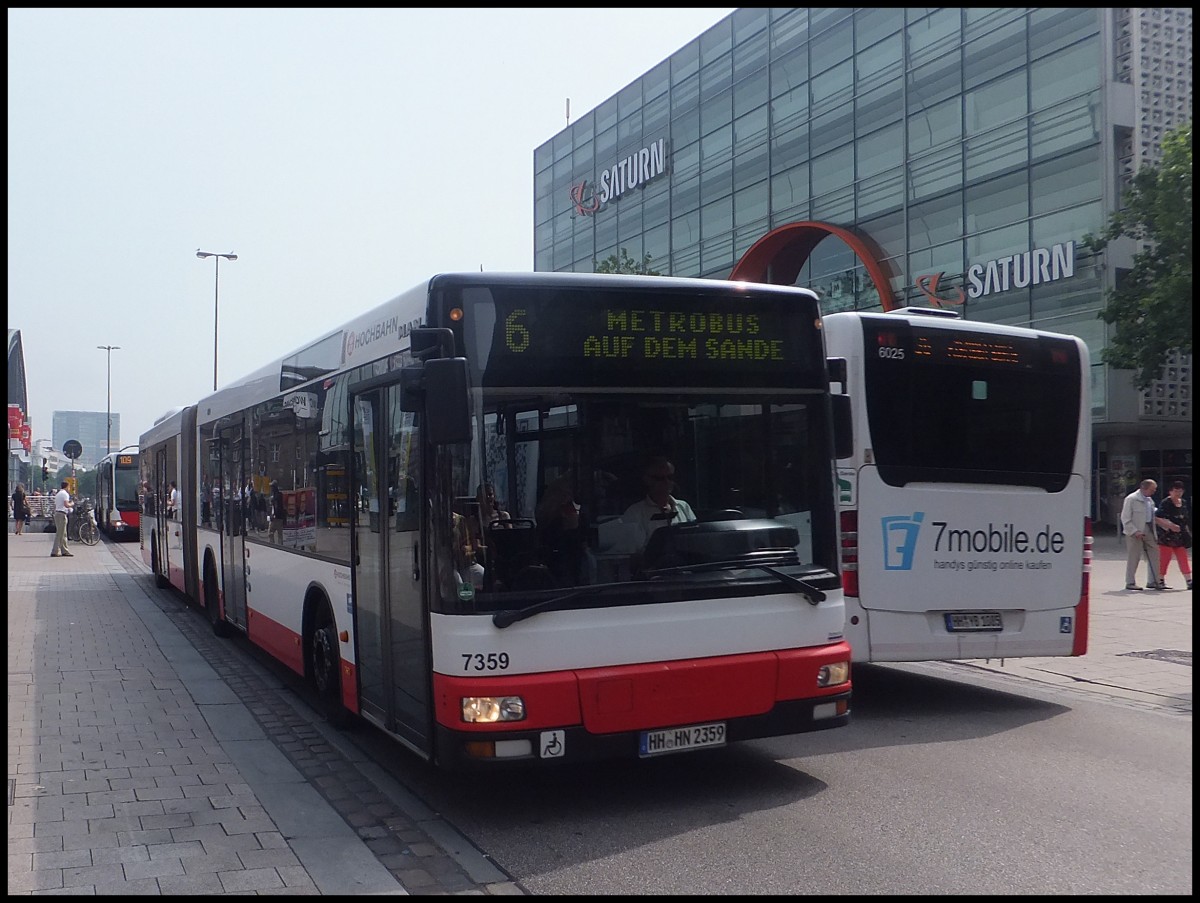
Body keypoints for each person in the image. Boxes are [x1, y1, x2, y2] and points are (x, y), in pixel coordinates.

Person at [622, 456, 697, 553]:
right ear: (647, 479)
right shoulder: (634, 512)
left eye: (670, 477)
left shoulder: (683, 506)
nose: (666, 482)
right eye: (660, 478)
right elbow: (632, 552)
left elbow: (695, 539)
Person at [536, 475, 595, 586]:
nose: (567, 494)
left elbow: (582, 534)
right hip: (557, 560)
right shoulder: (547, 511)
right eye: (562, 491)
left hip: (578, 557)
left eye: (569, 490)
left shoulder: (580, 509)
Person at [1120, 478, 1164, 590]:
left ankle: (1154, 580)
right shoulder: (1131, 499)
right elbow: (1125, 518)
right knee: (1134, 557)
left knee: (1155, 554)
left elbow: (1153, 514)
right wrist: (1134, 531)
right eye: (1152, 489)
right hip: (1135, 531)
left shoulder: (1149, 500)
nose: (1154, 491)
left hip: (1148, 529)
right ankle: (1130, 582)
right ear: (1144, 488)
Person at [1155, 481, 1192, 591]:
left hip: (1180, 535)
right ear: (1170, 491)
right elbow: (1157, 518)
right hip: (1167, 535)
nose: (1178, 493)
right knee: (1165, 558)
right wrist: (1170, 525)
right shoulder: (1166, 503)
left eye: (1180, 491)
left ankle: (1189, 580)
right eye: (1175, 491)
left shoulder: (1184, 503)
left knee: (1183, 558)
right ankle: (1160, 580)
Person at [50, 480, 74, 558]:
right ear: (67, 486)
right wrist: (72, 504)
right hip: (62, 514)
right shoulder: (65, 494)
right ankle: (55, 551)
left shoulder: (58, 494)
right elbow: (66, 505)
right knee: (60, 533)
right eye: (69, 486)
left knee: (63, 533)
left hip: (57, 513)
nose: (69, 488)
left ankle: (65, 550)